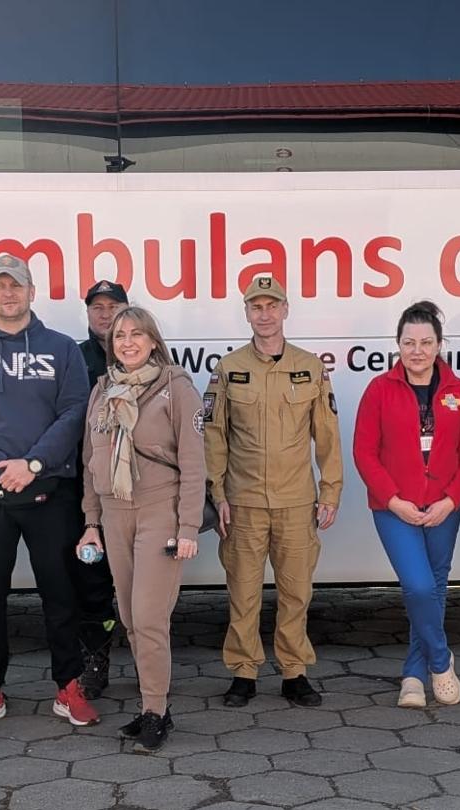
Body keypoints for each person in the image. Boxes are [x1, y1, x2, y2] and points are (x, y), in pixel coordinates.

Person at [0, 254, 98, 732]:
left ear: (33, 292)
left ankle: (69, 686)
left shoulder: (61, 349)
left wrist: (31, 465)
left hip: (49, 489)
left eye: (17, 285)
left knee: (61, 594)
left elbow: (74, 412)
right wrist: (0, 469)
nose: (9, 293)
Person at [204, 274, 344, 708]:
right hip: (243, 502)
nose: (264, 315)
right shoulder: (228, 369)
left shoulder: (311, 367)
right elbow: (214, 436)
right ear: (246, 313)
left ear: (285, 310)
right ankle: (244, 673)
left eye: (272, 306)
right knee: (242, 592)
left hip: (296, 501)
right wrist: (217, 494)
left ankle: (293, 671)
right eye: (256, 307)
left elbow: (328, 435)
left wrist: (330, 491)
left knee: (296, 591)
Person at [75, 306, 204, 753]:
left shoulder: (176, 388)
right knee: (128, 617)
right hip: (114, 515)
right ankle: (154, 708)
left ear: (153, 340)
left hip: (158, 513)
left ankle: (155, 710)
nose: (127, 341)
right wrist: (91, 523)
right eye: (119, 335)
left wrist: (188, 525)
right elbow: (92, 463)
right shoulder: (102, 391)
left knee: (149, 618)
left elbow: (193, 463)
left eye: (137, 334)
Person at [352, 301, 460, 708]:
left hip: (443, 507)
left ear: (440, 345)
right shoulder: (379, 390)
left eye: (426, 342)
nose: (417, 351)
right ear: (398, 345)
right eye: (409, 343)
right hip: (395, 509)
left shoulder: (458, 391)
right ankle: (440, 661)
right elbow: (364, 452)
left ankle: (412, 673)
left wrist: (452, 499)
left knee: (435, 588)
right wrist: (393, 500)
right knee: (418, 585)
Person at [73, 278, 129, 698]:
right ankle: (95, 662)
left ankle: (150, 664)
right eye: (98, 307)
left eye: (113, 306)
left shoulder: (146, 357)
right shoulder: (73, 359)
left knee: (141, 585)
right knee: (91, 583)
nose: (105, 313)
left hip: (138, 494)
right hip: (90, 490)